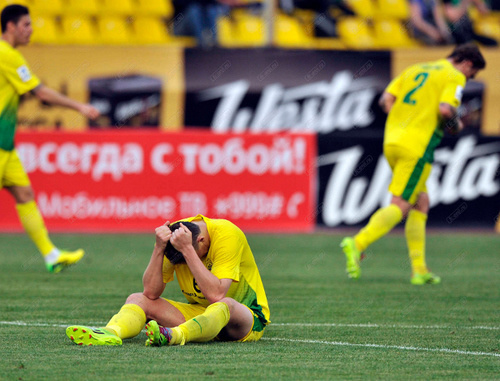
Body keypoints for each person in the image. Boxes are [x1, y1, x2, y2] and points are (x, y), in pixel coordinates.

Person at [341, 44, 486, 285]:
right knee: (402, 203)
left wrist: (403, 122)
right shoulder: (455, 75)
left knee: (421, 201)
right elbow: (446, 110)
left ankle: (419, 270)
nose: (469, 79)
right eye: (472, 75)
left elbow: (386, 99)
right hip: (417, 147)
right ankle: (357, 242)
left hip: (392, 142)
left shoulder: (416, 68)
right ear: (468, 64)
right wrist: (457, 125)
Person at [66, 215, 270, 346]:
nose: (183, 265)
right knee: (137, 299)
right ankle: (110, 333)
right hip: (202, 318)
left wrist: (187, 250)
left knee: (224, 304)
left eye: (187, 258)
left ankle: (174, 335)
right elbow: (151, 292)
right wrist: (158, 248)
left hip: (244, 318)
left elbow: (216, 294)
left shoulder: (226, 234)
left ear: (200, 241)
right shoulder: (176, 236)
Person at [1, 4, 100, 273]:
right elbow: (41, 94)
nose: (31, 30)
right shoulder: (6, 54)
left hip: (5, 148)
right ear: (10, 26)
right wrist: (79, 107)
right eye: (26, 25)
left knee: (24, 193)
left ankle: (50, 254)